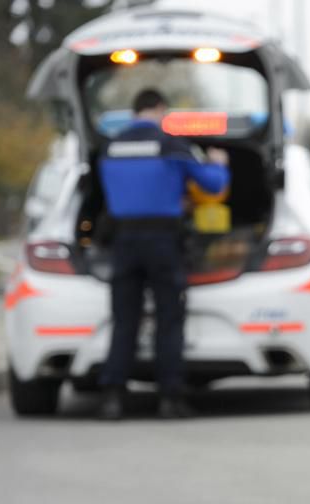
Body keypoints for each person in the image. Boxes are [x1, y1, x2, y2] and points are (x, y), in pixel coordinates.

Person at [97, 89, 230, 419]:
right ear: (159, 108)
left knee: (124, 320)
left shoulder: (110, 147)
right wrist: (219, 164)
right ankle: (170, 398)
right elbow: (212, 186)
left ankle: (112, 398)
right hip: (162, 242)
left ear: (134, 110)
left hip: (123, 242)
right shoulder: (171, 145)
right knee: (169, 319)